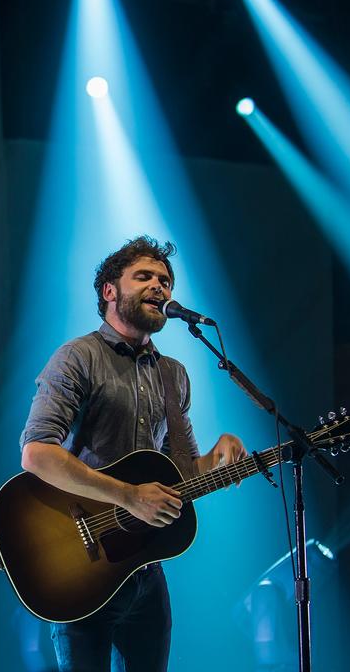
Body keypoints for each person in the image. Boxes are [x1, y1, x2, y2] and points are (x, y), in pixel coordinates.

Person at [20, 236, 248, 672]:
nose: (159, 287)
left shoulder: (174, 375)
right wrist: (128, 496)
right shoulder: (78, 357)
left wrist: (216, 460)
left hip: (144, 572)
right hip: (79, 566)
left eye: (165, 280)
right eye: (144, 276)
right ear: (110, 291)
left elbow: (178, 477)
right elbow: (36, 454)